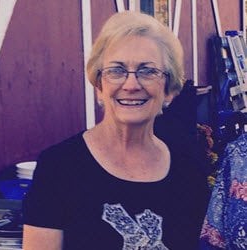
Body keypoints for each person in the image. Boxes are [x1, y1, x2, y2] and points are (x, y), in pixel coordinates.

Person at [22, 11, 209, 250]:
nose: (131, 85)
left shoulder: (189, 170)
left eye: (148, 71)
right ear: (99, 86)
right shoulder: (59, 167)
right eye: (117, 70)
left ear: (169, 90)